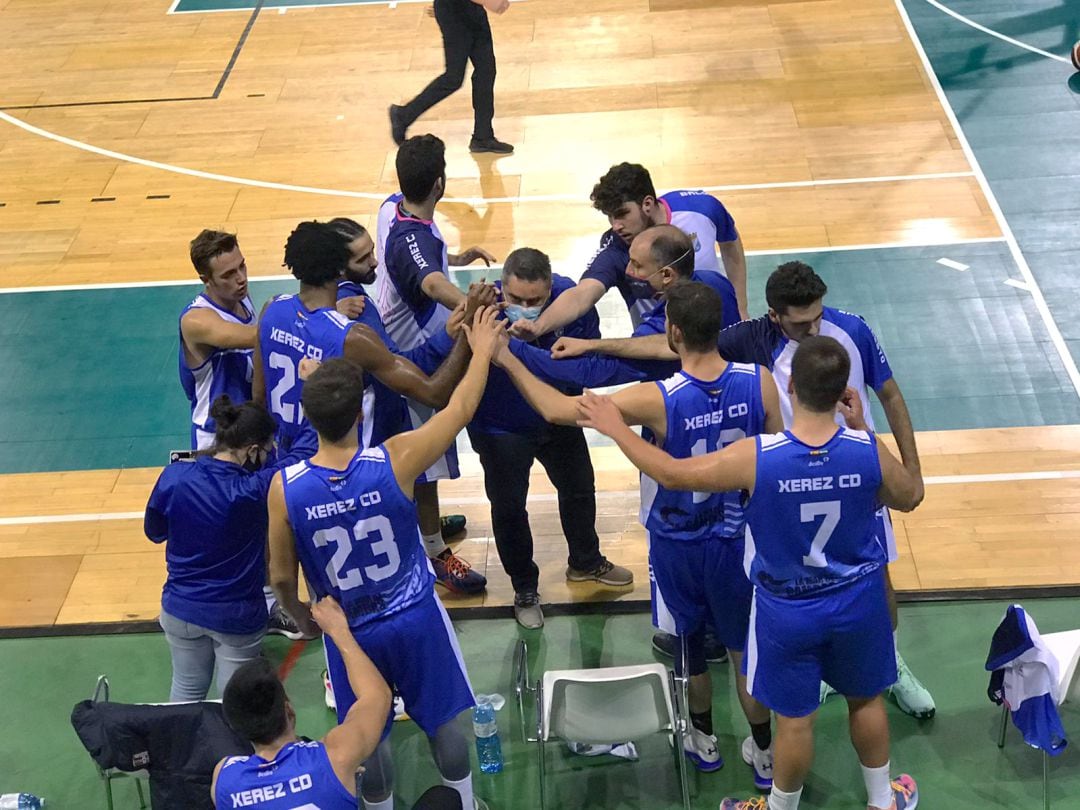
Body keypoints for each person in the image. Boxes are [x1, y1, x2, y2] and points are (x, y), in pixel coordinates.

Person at [552, 260, 937, 720]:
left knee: (879, 576)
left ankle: (890, 662)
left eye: (818, 315)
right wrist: (593, 342)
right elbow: (677, 345)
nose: (814, 327)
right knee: (794, 586)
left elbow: (891, 395)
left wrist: (911, 469)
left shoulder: (853, 330)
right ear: (775, 316)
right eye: (801, 322)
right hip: (785, 483)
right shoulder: (751, 339)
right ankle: (815, 671)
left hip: (855, 474)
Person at [578, 336, 921, 810]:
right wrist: (863, 427)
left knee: (794, 719)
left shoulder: (759, 456)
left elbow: (674, 475)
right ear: (843, 389)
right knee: (866, 701)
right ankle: (883, 801)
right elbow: (910, 495)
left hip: (788, 609)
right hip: (858, 601)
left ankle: (779, 807)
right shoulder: (866, 450)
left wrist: (617, 428)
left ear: (793, 387)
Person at [496, 281, 780, 781]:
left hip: (678, 545)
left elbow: (556, 411)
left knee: (689, 648)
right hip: (738, 542)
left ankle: (705, 740)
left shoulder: (657, 398)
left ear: (672, 333)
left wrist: (507, 359)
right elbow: (775, 459)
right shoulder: (761, 382)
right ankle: (763, 752)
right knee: (743, 654)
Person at [267, 307, 503, 810]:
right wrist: (481, 350)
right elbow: (458, 408)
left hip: (350, 630)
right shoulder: (394, 459)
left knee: (367, 735)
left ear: (308, 417)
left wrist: (308, 622)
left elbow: (281, 577)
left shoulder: (284, 489)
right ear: (359, 414)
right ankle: (461, 801)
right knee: (443, 721)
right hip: (415, 615)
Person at [470, 247, 633, 628]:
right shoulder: (482, 307)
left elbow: (583, 363)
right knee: (509, 508)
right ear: (502, 287)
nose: (524, 307)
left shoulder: (571, 302)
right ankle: (524, 586)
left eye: (535, 301)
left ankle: (586, 562)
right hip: (500, 427)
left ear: (550, 289)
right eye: (516, 300)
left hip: (558, 417)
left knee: (579, 487)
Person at [376, 137, 498, 594]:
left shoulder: (396, 209)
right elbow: (427, 282)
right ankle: (433, 551)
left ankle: (421, 522)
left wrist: (454, 258)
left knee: (424, 458)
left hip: (409, 350)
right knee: (424, 461)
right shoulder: (410, 238)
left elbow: (427, 263)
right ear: (440, 182)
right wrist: (471, 301)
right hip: (413, 359)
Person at [510, 162, 749, 341]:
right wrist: (539, 327)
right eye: (610, 217)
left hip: (722, 334)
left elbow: (730, 242)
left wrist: (741, 305)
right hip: (664, 347)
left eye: (622, 214)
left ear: (647, 204)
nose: (616, 226)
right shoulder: (616, 249)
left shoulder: (701, 208)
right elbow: (582, 294)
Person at [144, 396, 278, 702]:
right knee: (235, 704)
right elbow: (305, 454)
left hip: (180, 609)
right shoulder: (255, 490)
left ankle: (179, 750)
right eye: (267, 451)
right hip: (237, 617)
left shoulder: (174, 476)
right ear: (253, 449)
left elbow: (155, 532)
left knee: (185, 692)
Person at [213, 596, 392, 810]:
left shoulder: (223, 779)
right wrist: (339, 632)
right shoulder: (337, 755)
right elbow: (377, 696)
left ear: (235, 726)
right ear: (289, 710)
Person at [545, 224, 740, 360]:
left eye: (637, 265)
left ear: (666, 274)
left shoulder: (663, 325)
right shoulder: (716, 282)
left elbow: (655, 346)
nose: (628, 270)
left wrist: (588, 345)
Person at [389, 0, 513, 154]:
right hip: (455, 16)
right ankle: (403, 115)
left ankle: (483, 136)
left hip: (470, 10)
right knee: (453, 77)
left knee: (486, 70)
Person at [179, 230, 256, 451]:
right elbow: (253, 336)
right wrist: (313, 316)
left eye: (242, 266)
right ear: (206, 279)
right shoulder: (196, 320)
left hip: (248, 427)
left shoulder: (241, 300)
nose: (241, 278)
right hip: (215, 440)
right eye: (228, 274)